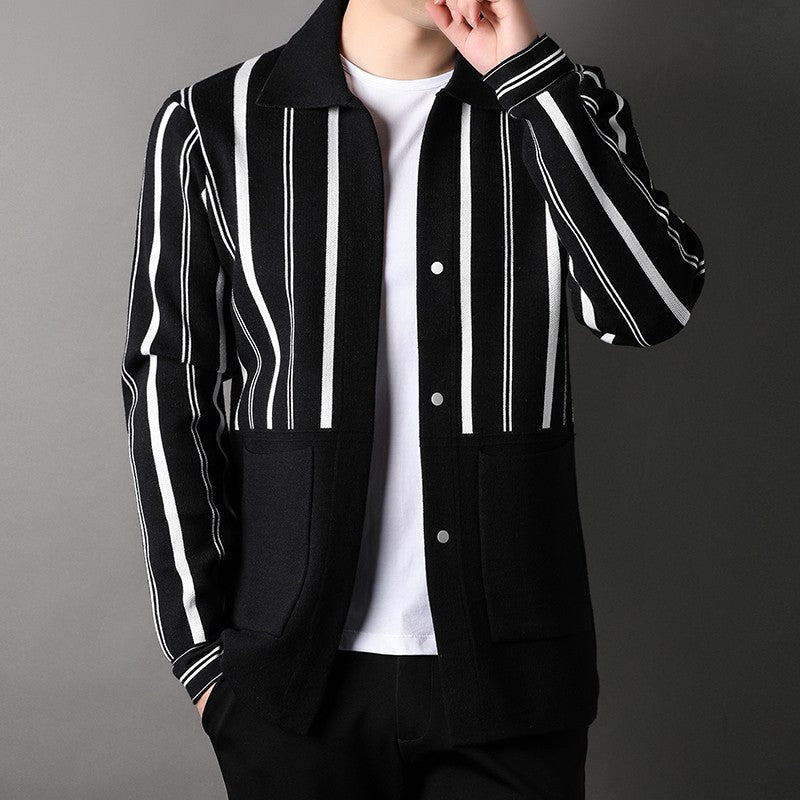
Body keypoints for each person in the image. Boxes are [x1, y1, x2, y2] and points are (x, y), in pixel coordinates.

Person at [120, 0, 705, 797]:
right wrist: (200, 656)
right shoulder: (209, 124)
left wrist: (532, 82)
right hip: (292, 685)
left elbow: (647, 311)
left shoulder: (563, 103)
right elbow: (167, 386)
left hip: (513, 681)